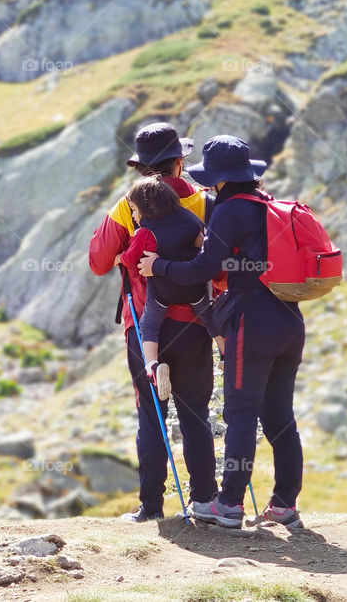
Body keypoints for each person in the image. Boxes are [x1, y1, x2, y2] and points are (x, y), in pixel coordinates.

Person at [140, 135, 306, 529]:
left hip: (252, 321)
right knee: (281, 415)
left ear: (219, 180)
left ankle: (229, 503)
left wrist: (159, 267)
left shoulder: (229, 210)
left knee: (241, 413)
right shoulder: (267, 205)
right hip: (290, 320)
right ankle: (285, 505)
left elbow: (203, 269)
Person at [88, 123, 217, 523]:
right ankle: (206, 501)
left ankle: (151, 506)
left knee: (152, 413)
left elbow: (97, 262)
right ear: (180, 162)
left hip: (146, 328)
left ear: (142, 168)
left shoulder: (128, 207)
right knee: (195, 411)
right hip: (196, 320)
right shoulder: (204, 202)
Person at [116, 178, 225, 399]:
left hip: (161, 291)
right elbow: (202, 244)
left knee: (149, 324)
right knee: (208, 316)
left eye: (135, 210)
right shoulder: (191, 220)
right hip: (192, 286)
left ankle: (153, 366)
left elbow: (130, 259)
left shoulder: (145, 233)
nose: (134, 216)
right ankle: (225, 353)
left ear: (147, 207)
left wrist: (119, 257)